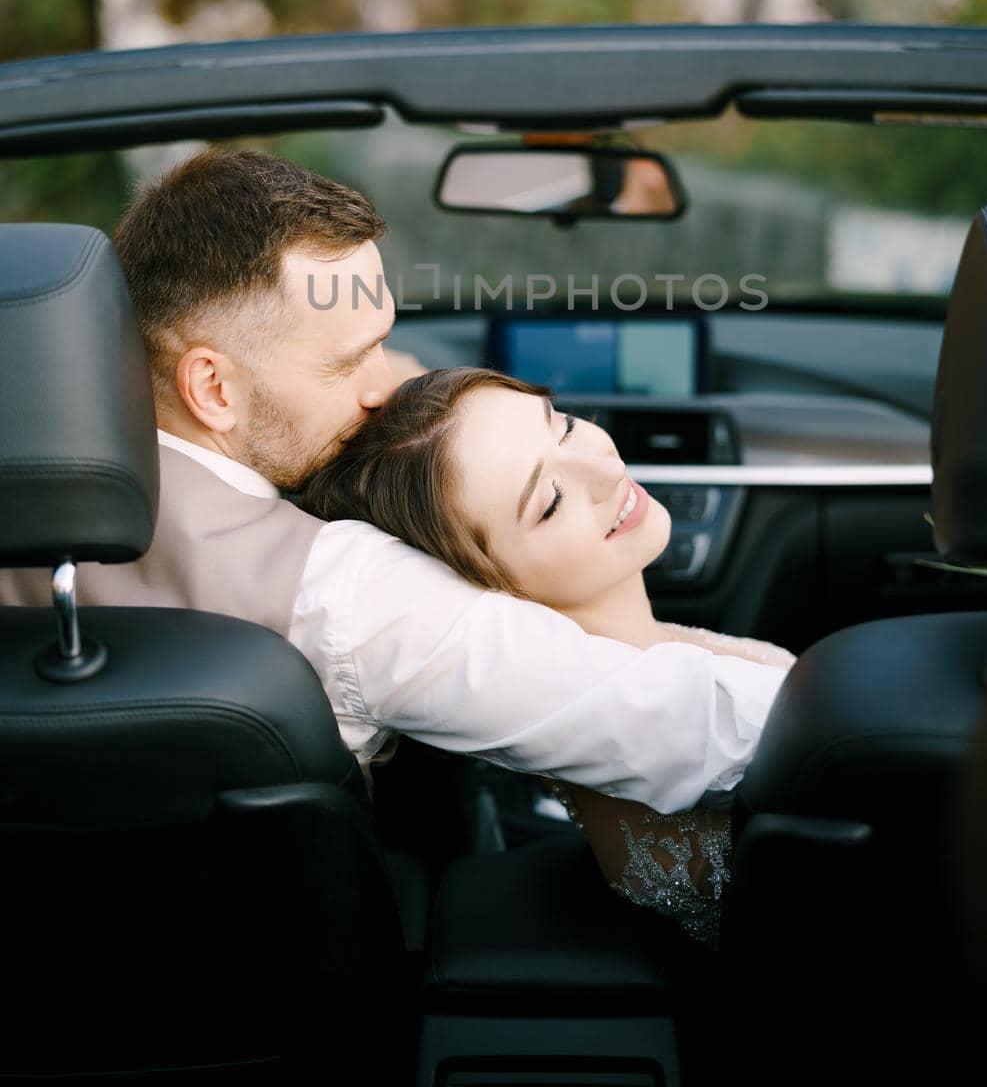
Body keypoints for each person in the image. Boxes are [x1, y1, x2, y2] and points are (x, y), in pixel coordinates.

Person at [0, 148, 792, 822]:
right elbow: (691, 727)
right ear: (213, 389)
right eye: (349, 362)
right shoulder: (344, 593)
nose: (383, 388)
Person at [299, 366, 796, 946]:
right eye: (551, 501)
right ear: (486, 586)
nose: (608, 469)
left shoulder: (654, 647)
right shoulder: (624, 731)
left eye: (563, 427)